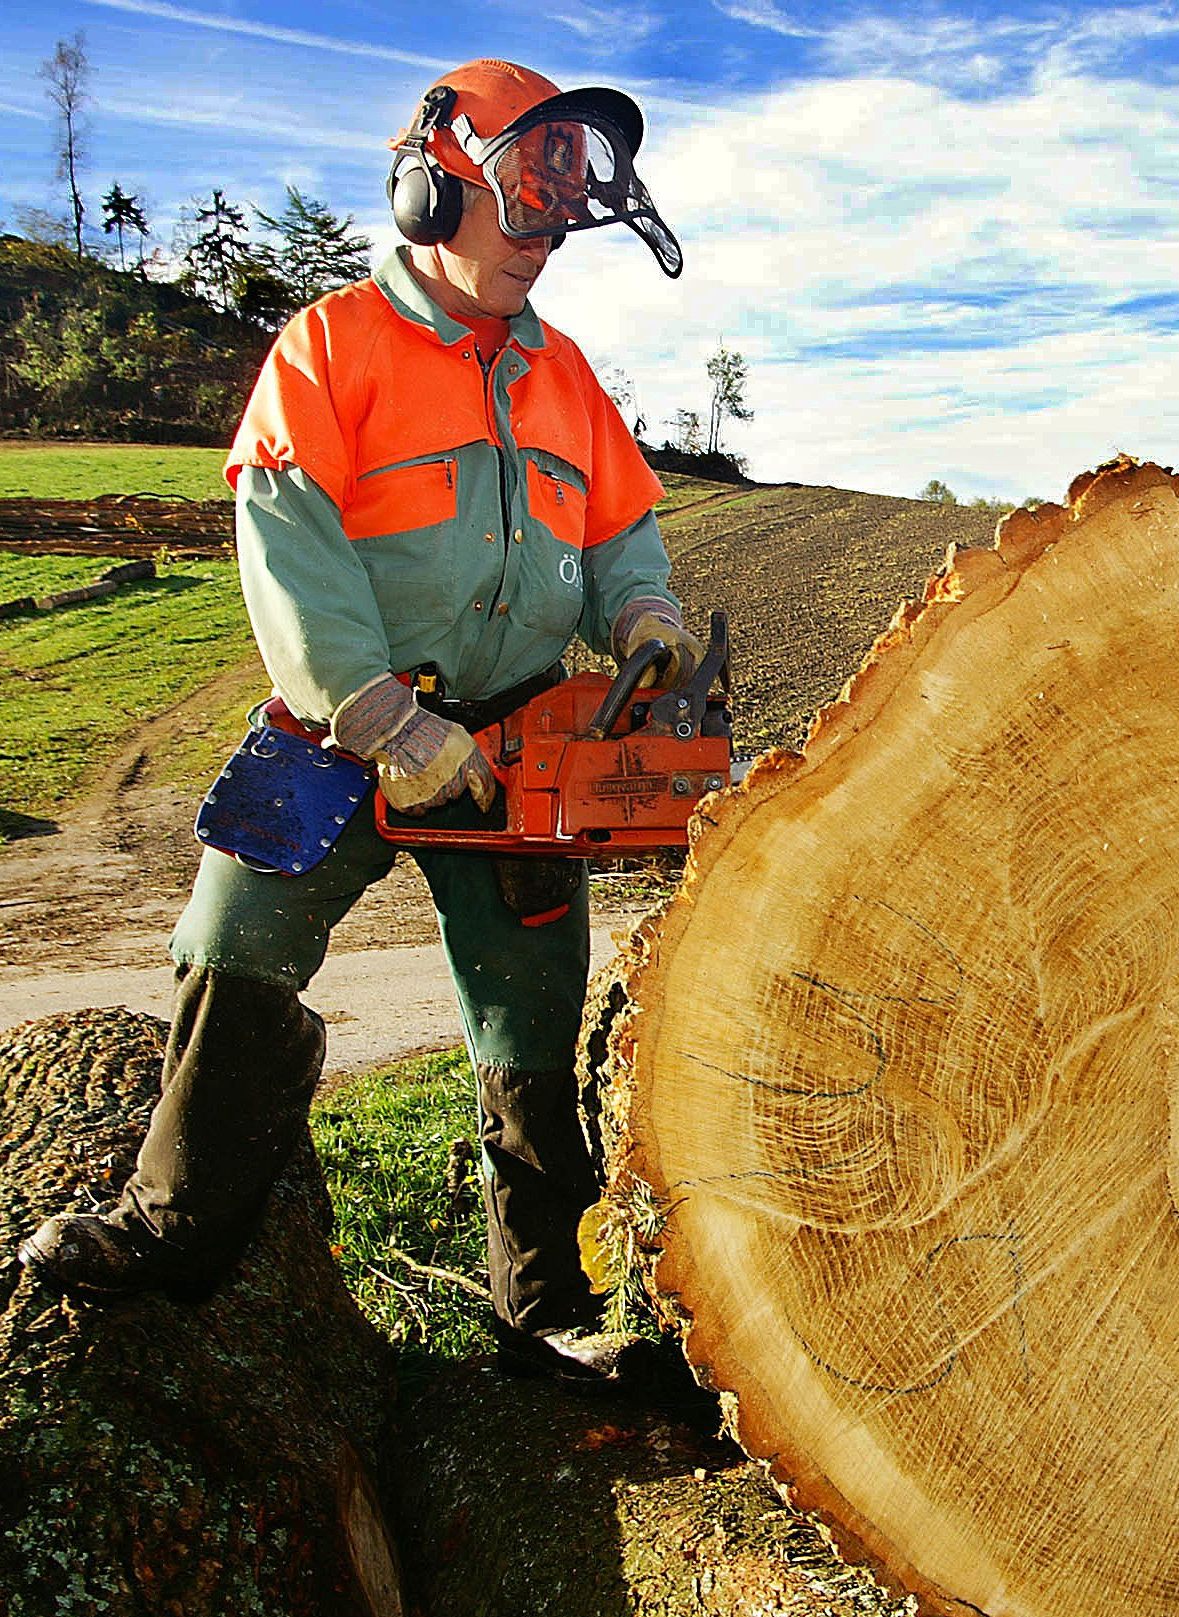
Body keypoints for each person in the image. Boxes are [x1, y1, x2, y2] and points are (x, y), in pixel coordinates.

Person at [19, 59, 700, 1388]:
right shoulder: (330, 346)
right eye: (524, 205)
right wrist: (375, 708)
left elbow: (623, 532)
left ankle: (543, 1307)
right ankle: (172, 1231)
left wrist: (646, 616)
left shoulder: (566, 379)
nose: (543, 242)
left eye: (563, 215)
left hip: (514, 743)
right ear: (430, 191)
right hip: (343, 725)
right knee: (233, 940)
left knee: (527, 1016)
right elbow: (286, 540)